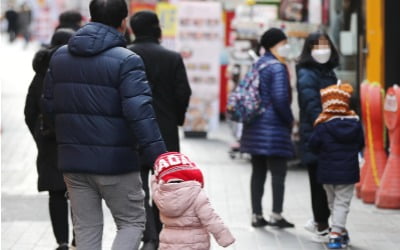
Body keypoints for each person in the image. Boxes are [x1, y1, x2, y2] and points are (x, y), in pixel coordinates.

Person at [41, 0, 167, 249]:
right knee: (131, 222)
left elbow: (49, 107)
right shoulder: (127, 60)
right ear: (123, 22)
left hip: (73, 162)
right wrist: (161, 160)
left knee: (85, 229)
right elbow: (140, 114)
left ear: (91, 18)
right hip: (116, 163)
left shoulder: (60, 57)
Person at [128, 11, 192, 250]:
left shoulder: (125, 54)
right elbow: (183, 93)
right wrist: (176, 118)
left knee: (137, 187)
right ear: (157, 29)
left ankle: (149, 235)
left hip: (132, 131)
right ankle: (159, 231)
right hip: (164, 131)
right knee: (165, 185)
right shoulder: (172, 57)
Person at [24, 28, 77, 250]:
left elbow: (29, 113)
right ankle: (79, 239)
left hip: (49, 143)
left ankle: (62, 242)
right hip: (75, 142)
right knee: (79, 192)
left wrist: (39, 135)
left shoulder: (40, 75)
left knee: (56, 193)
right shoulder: (76, 71)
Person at [240, 28, 295, 228]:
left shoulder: (258, 64)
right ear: (275, 44)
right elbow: (280, 99)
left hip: (254, 124)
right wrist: (290, 120)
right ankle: (276, 214)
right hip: (274, 126)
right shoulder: (278, 67)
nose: (286, 46)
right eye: (284, 43)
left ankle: (256, 215)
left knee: (258, 171)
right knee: (278, 172)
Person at [308, 83, 364, 249]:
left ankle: (340, 230)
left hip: (326, 173)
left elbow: (312, 145)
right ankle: (336, 234)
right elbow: (360, 143)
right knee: (342, 204)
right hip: (347, 173)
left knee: (333, 203)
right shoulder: (355, 124)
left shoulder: (322, 125)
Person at [296, 31, 340, 241]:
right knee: (318, 180)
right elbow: (311, 103)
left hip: (329, 130)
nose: (322, 49)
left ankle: (322, 220)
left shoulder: (328, 71)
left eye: (325, 44)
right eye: (317, 45)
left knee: (327, 179)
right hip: (316, 132)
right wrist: (325, 122)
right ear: (309, 49)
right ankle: (321, 224)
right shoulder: (307, 72)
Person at [151, 152, 235, 250]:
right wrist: (224, 237)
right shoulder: (196, 195)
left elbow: (154, 183)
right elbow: (211, 219)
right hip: (195, 244)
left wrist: (155, 175)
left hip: (168, 244)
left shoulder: (160, 195)